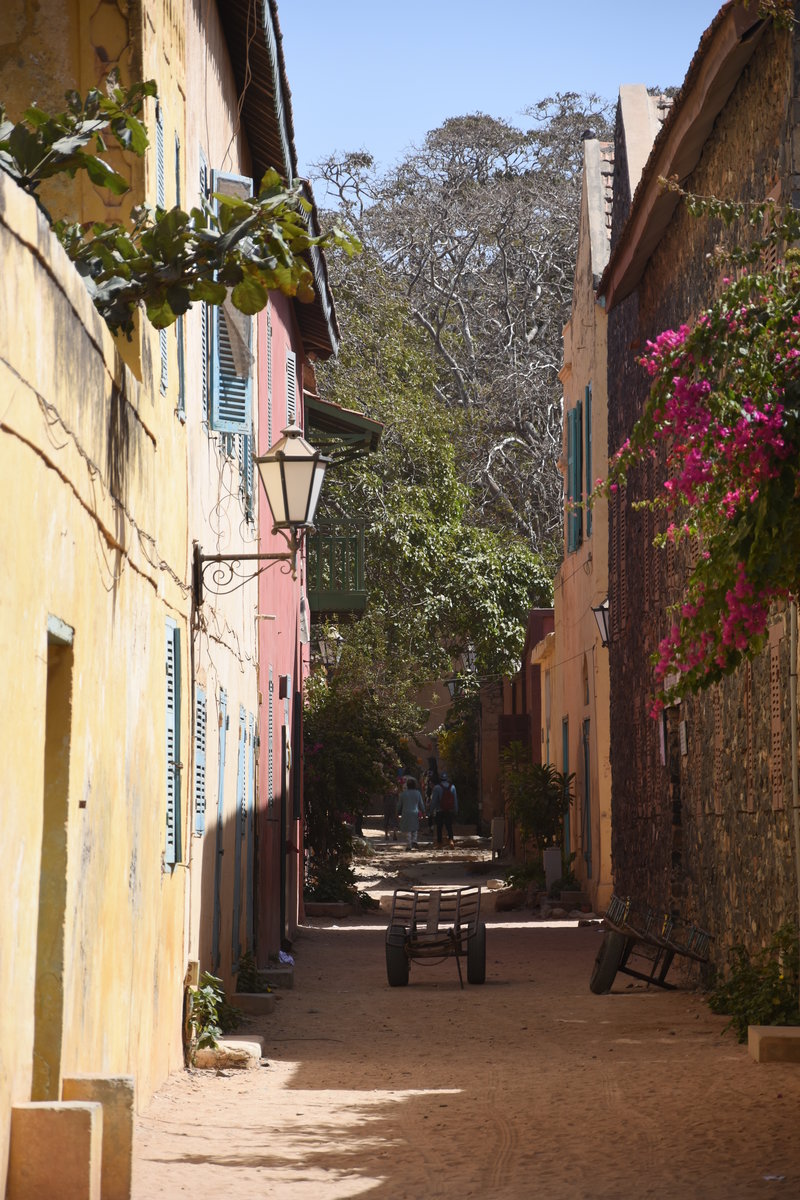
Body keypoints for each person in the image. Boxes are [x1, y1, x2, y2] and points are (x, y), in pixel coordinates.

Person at [397, 776, 425, 850]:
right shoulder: (418, 793)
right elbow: (421, 804)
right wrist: (424, 812)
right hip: (415, 813)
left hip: (405, 813)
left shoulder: (403, 794)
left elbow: (399, 805)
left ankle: (409, 844)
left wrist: (396, 813)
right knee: (415, 828)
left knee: (408, 829)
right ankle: (414, 841)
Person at [432, 770, 458, 848]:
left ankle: (439, 843)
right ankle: (451, 840)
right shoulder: (452, 787)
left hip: (439, 810)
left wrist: (431, 810)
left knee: (439, 827)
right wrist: (456, 810)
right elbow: (455, 800)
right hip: (449, 810)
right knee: (449, 826)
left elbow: (434, 801)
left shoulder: (437, 787)